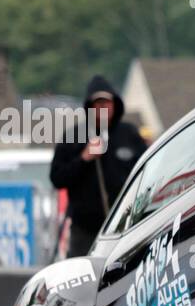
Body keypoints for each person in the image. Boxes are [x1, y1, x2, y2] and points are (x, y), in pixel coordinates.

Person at [50, 75, 145, 257]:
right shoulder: (74, 136)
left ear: (115, 105)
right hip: (85, 230)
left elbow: (148, 171)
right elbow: (57, 178)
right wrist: (84, 158)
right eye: (98, 104)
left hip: (125, 227)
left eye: (107, 103)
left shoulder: (130, 134)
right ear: (90, 107)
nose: (103, 108)